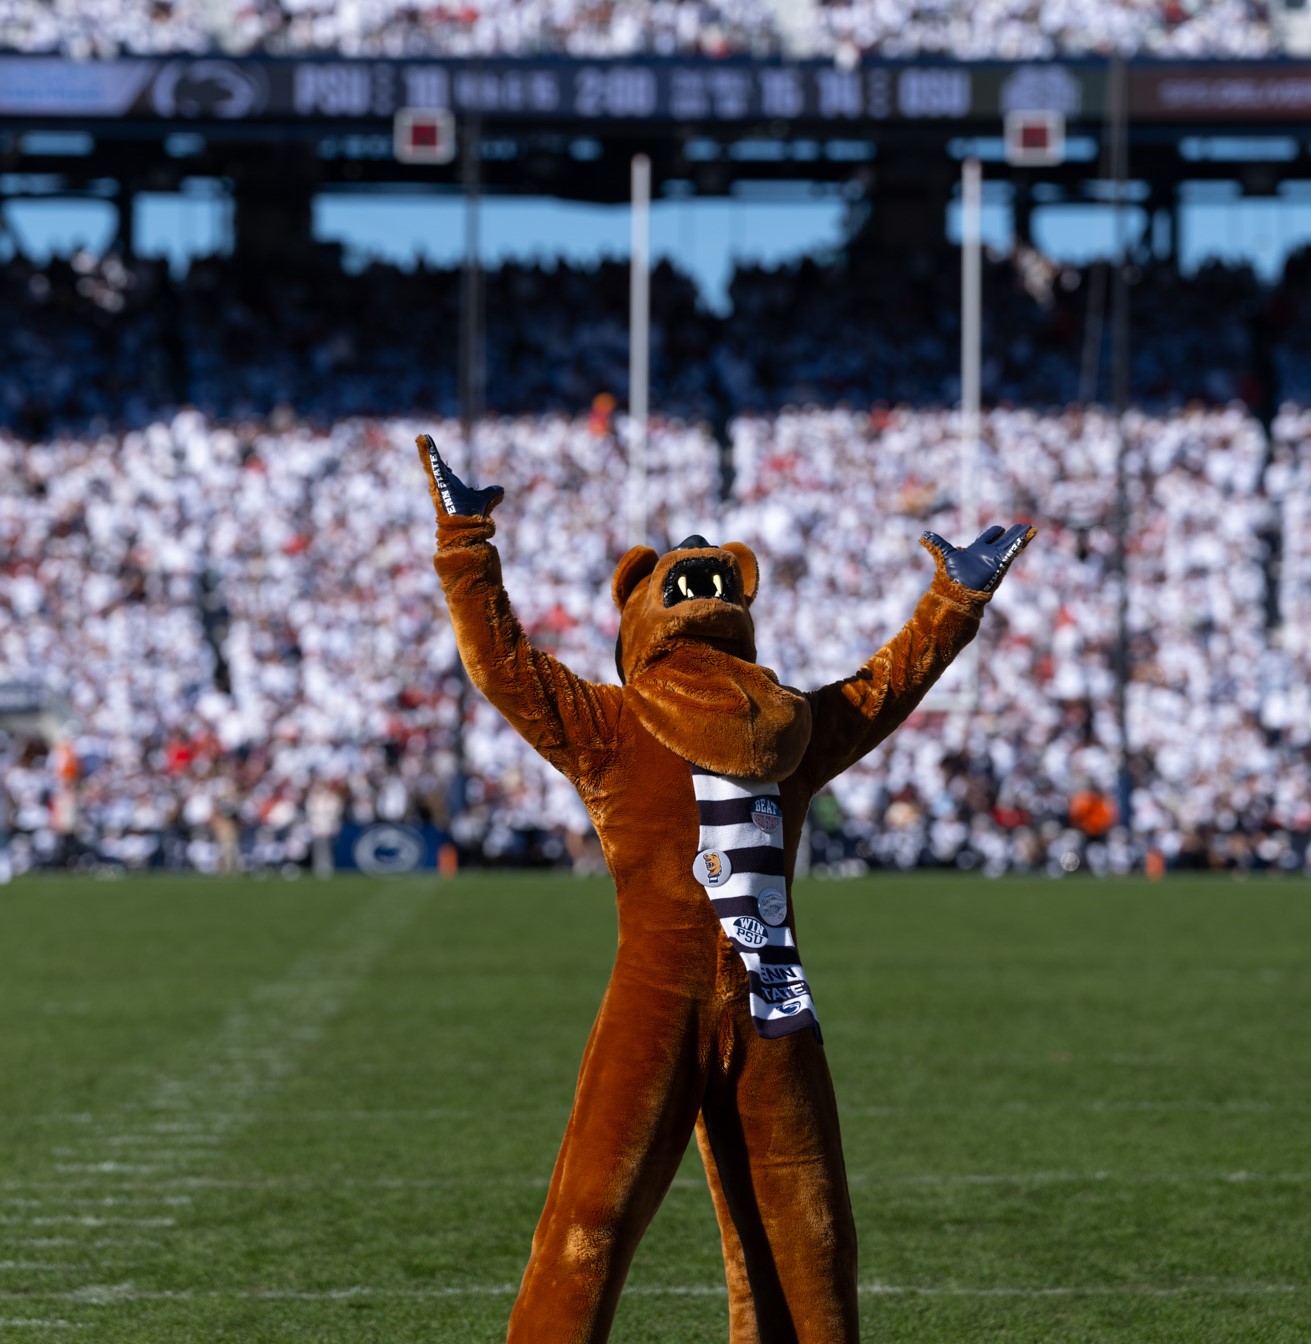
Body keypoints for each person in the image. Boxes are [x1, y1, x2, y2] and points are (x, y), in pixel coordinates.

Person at [417, 431, 1033, 1342]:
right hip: (773, 999)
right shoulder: (796, 727)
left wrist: (467, 544)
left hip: (656, 999)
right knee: (802, 1243)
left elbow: (500, 664)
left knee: (589, 1225)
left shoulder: (610, 722)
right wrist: (954, 596)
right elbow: (887, 686)